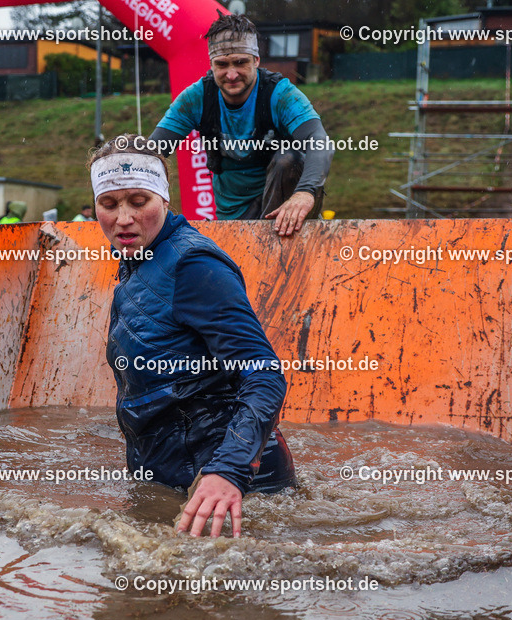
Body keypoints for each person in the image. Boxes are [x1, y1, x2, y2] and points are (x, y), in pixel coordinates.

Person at [91, 133, 296, 538]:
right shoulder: (137, 259)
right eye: (109, 204)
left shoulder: (193, 264)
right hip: (178, 479)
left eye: (138, 201)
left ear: (164, 201)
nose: (123, 218)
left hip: (231, 487)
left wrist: (228, 470)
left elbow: (264, 372)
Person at [147, 14, 334, 236]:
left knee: (289, 159)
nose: (232, 74)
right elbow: (151, 153)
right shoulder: (197, 97)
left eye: (240, 62)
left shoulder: (280, 93)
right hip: (233, 214)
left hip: (285, 209)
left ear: (256, 60)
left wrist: (305, 192)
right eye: (222, 64)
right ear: (211, 64)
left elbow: (319, 141)